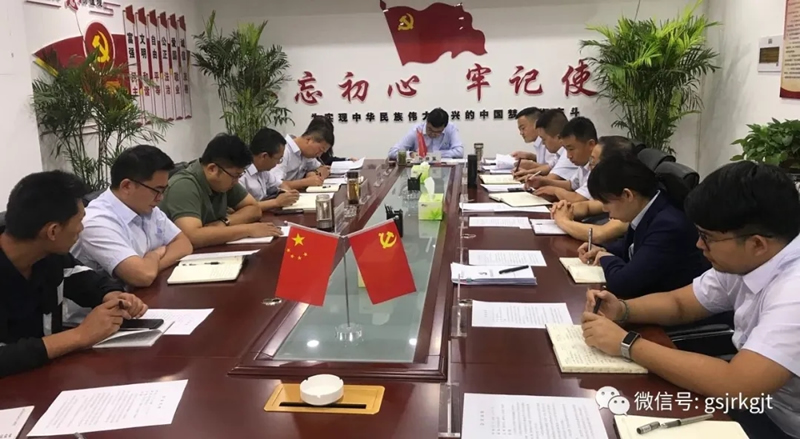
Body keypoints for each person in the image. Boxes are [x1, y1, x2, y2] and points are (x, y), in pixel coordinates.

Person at [582, 161, 800, 439]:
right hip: (756, 405)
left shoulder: (793, 291)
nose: (699, 245)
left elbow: (737, 385)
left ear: (757, 244)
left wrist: (626, 344)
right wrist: (623, 310)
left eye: (707, 237)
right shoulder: (747, 260)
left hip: (780, 425)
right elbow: (681, 304)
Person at [0, 171, 148, 378]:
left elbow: (83, 279)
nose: (81, 229)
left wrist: (113, 296)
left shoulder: (48, 255)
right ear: (53, 231)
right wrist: (80, 335)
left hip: (48, 376)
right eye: (79, 221)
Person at [577, 154, 709, 297]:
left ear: (627, 195)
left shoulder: (668, 225)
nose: (604, 209)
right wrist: (603, 249)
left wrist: (605, 258)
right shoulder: (650, 206)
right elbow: (634, 247)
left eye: (606, 202)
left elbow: (623, 285)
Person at [73, 145, 193, 288]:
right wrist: (154, 255)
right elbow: (142, 276)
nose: (160, 198)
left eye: (163, 191)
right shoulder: (96, 222)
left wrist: (151, 265)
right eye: (157, 190)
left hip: (145, 292)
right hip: (107, 301)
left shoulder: (146, 207)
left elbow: (184, 244)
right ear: (127, 186)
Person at [160, 134, 280, 249]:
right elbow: (192, 237)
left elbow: (254, 209)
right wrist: (248, 230)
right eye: (235, 176)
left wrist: (224, 222)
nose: (237, 181)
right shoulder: (183, 185)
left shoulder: (225, 180)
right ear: (212, 169)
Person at [549, 136, 635, 244]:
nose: (589, 167)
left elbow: (600, 234)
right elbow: (588, 207)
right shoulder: (612, 191)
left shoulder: (629, 198)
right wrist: (564, 209)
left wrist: (563, 221)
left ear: (611, 165)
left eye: (593, 162)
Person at [526, 116, 596, 202]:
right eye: (566, 149)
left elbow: (578, 198)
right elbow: (571, 185)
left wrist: (555, 191)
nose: (568, 156)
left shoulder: (599, 166)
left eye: (571, 149)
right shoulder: (583, 164)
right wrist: (543, 181)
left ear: (591, 145)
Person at [239, 128, 301, 211]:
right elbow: (243, 207)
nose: (278, 163)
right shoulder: (240, 174)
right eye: (278, 159)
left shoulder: (264, 170)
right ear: (264, 156)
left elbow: (281, 185)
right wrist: (276, 202)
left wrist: (288, 194)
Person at [514, 109, 578, 181]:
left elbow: (550, 179)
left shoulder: (568, 154)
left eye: (544, 139)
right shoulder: (559, 152)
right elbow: (549, 167)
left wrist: (530, 178)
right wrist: (526, 173)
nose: (543, 143)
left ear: (559, 138)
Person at [270, 124, 333, 190]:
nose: (319, 155)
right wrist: (306, 182)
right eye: (320, 150)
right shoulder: (284, 151)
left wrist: (314, 173)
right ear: (309, 140)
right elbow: (275, 185)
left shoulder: (306, 154)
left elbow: (321, 168)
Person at [387, 108, 464, 159]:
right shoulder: (416, 130)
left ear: (444, 127)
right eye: (430, 129)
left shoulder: (451, 128)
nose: (433, 134)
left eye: (438, 132)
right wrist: (410, 155)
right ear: (427, 122)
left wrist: (434, 155)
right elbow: (393, 152)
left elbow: (459, 152)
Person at [510, 107, 555, 172]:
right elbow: (546, 162)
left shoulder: (549, 140)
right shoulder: (538, 141)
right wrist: (530, 156)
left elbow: (554, 169)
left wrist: (531, 165)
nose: (521, 133)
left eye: (523, 128)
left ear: (536, 124)